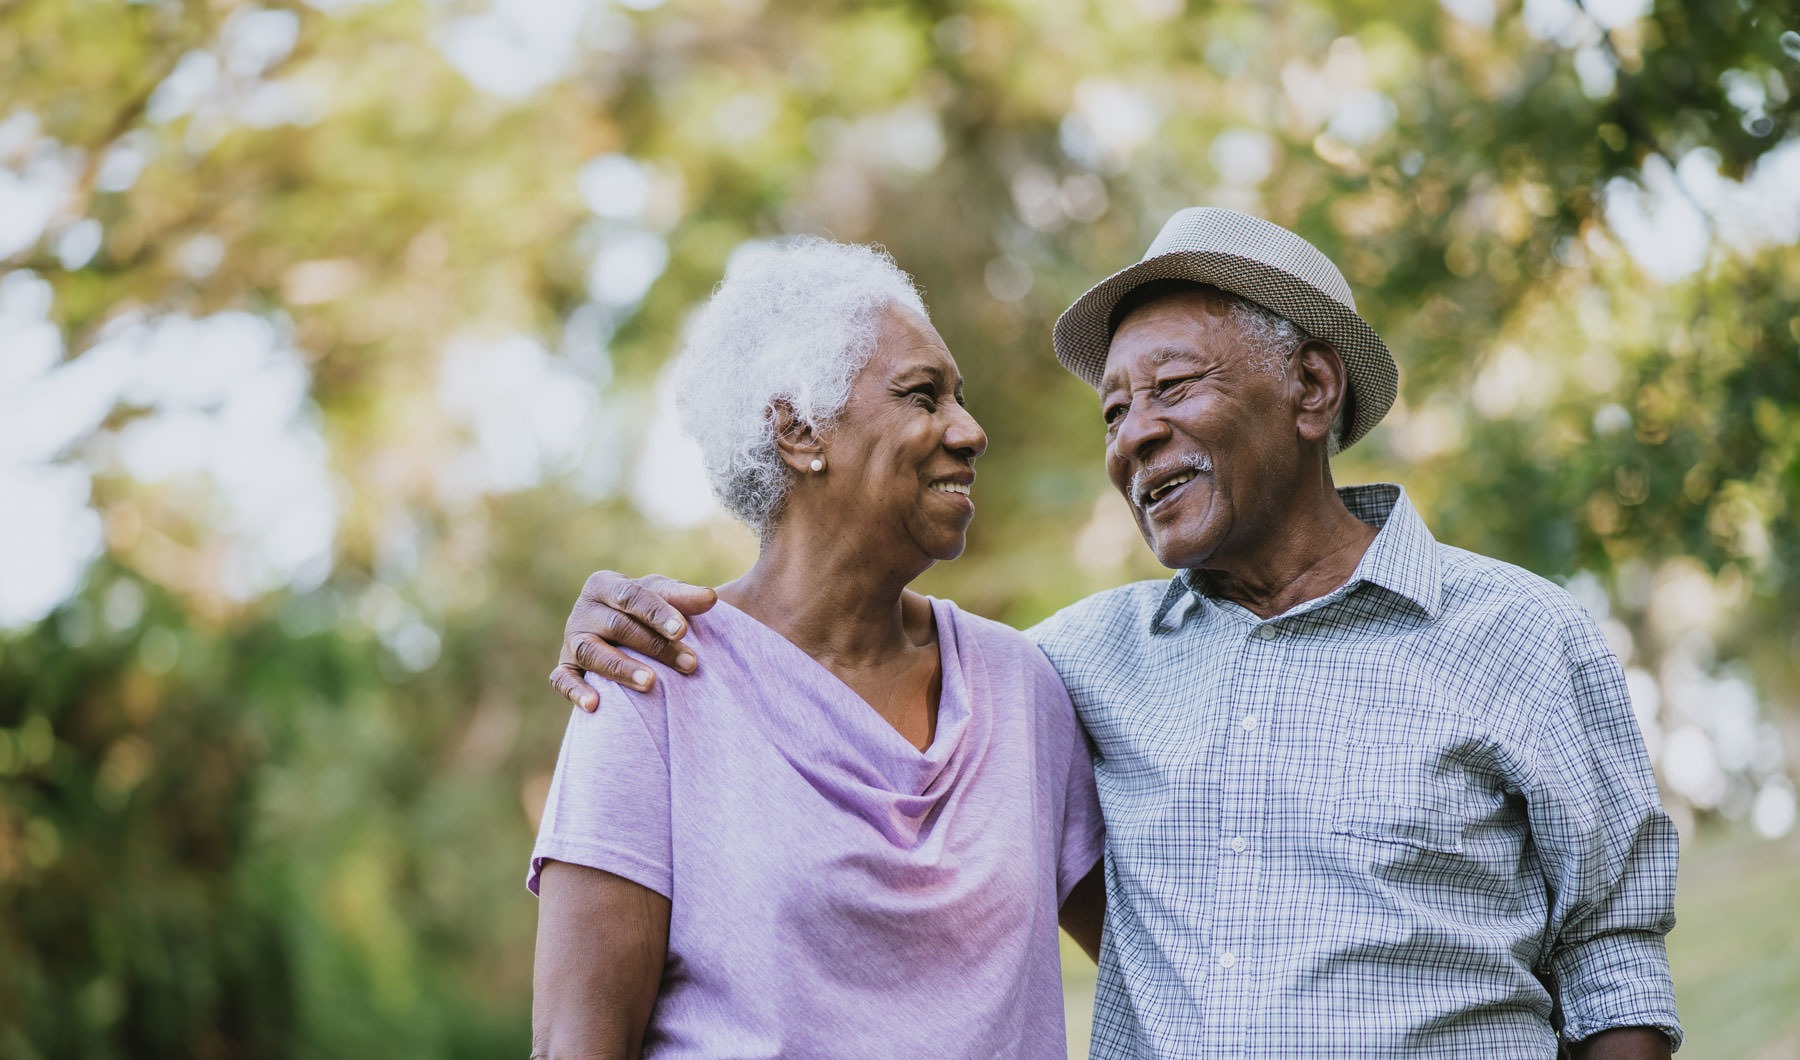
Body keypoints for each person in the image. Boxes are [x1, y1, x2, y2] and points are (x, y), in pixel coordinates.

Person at [549, 208, 1682, 1058]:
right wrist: (607, 613)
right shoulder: (1063, 670)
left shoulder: (1519, 636)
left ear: (1311, 389)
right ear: (798, 431)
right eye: (1113, 410)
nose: (1133, 436)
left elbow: (1612, 958)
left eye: (1171, 388)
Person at [527, 237, 1105, 1060]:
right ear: (798, 429)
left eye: (960, 398)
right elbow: (578, 1044)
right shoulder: (651, 685)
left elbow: (1170, 960)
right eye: (923, 396)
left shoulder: (1020, 689)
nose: (971, 431)